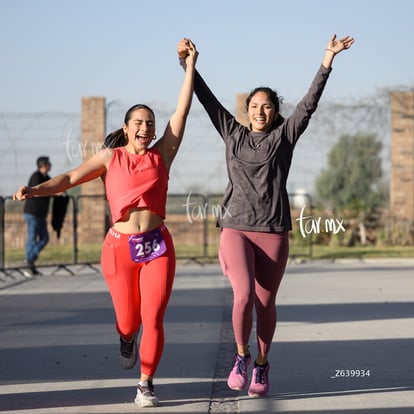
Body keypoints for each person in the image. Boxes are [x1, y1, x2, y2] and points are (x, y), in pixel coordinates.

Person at [13, 38, 198, 408]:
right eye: (139, 123)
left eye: (150, 123)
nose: (146, 128)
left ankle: (146, 383)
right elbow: (68, 179)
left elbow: (182, 112)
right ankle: (126, 337)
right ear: (127, 129)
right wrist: (35, 191)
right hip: (119, 249)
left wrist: (189, 65)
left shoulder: (163, 154)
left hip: (158, 245)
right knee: (129, 321)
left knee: (154, 316)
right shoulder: (109, 158)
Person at [178, 34, 354, 397]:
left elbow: (309, 105)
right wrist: (187, 63)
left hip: (273, 231)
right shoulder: (232, 133)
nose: (260, 111)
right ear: (246, 110)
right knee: (242, 295)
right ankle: (241, 356)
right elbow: (206, 99)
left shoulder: (284, 137)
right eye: (254, 106)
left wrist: (327, 60)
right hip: (235, 228)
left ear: (275, 111)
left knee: (265, 302)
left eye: (267, 106)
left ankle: (261, 363)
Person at [23, 156, 52, 276]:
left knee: (45, 238)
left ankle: (30, 260)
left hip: (41, 214)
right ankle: (29, 262)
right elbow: (38, 192)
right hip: (32, 213)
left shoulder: (48, 178)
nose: (50, 165)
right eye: (48, 163)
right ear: (43, 165)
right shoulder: (36, 177)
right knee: (32, 238)